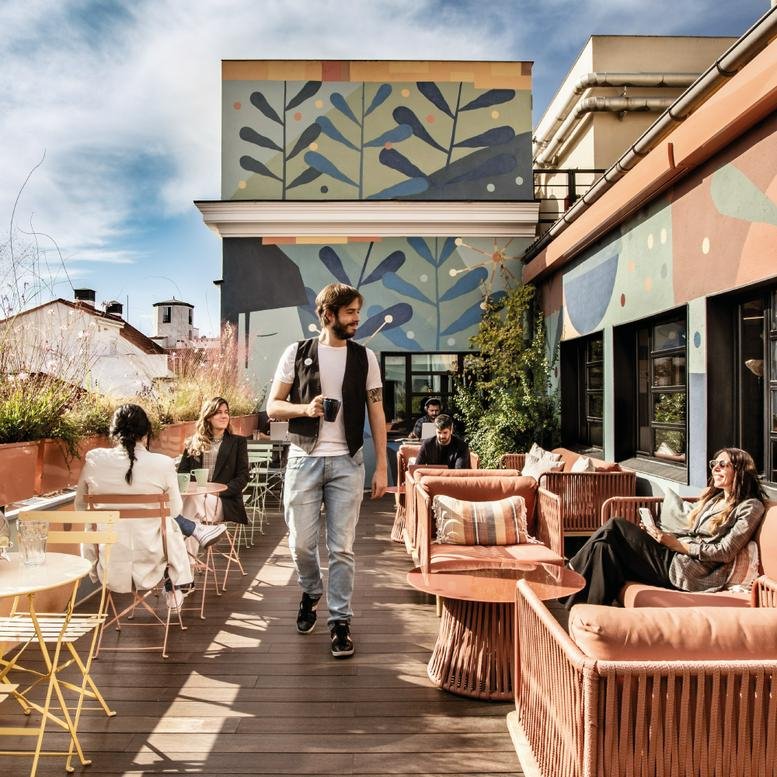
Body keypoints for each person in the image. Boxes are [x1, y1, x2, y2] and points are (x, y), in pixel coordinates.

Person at [267, 282, 387, 659]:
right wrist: (306, 409)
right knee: (301, 543)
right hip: (304, 459)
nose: (357, 319)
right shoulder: (296, 352)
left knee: (342, 548)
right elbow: (272, 406)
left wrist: (382, 464)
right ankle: (311, 589)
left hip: (348, 463)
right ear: (328, 314)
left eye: (357, 312)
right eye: (350, 312)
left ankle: (340, 622)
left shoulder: (365, 358)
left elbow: (377, 412)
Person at [566, 447, 767, 607]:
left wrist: (676, 545)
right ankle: (584, 611)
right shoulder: (714, 499)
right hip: (674, 553)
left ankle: (570, 571)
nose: (715, 468)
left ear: (740, 471)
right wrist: (660, 535)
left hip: (689, 569)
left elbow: (725, 551)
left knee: (615, 525)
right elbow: (691, 532)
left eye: (723, 465)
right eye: (715, 463)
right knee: (604, 549)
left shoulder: (750, 506)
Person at [75, 404, 194, 610]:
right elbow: (175, 510)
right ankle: (173, 584)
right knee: (171, 525)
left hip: (109, 560)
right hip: (153, 557)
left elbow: (80, 506)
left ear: (113, 431)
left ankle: (173, 585)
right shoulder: (163, 464)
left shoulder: (95, 460)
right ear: (146, 432)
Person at [177, 397, 249, 531]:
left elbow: (243, 477)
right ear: (208, 417)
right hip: (196, 500)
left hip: (224, 502)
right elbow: (182, 474)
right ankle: (198, 539)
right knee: (189, 505)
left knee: (187, 507)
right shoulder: (193, 443)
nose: (224, 416)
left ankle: (187, 549)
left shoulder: (238, 442)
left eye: (226, 412)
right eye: (218, 412)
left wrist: (218, 492)